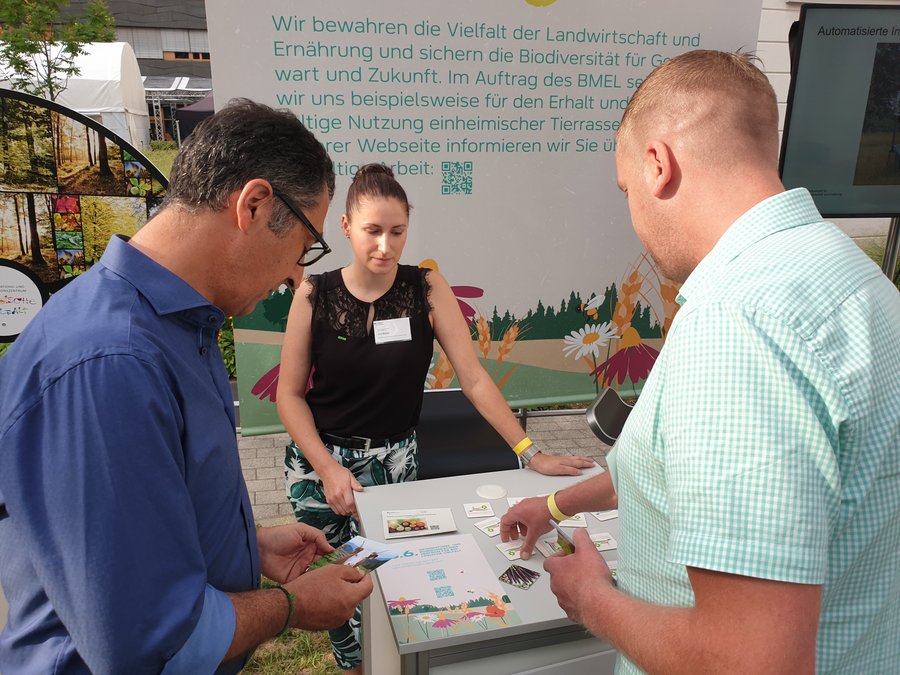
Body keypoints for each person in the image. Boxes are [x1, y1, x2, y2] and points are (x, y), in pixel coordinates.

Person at [500, 50, 900, 673]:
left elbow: (749, 660)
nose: (632, 216)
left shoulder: (736, 322)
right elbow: (681, 473)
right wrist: (556, 506)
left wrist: (593, 599)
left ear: (658, 165)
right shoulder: (856, 277)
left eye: (627, 189)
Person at [0, 99, 374, 674]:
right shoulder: (111, 363)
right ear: (254, 205)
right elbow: (148, 642)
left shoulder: (177, 325)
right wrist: (292, 606)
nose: (297, 275)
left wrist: (248, 548)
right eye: (304, 248)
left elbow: (146, 520)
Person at [276, 163, 594, 672]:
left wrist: (530, 452)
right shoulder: (314, 294)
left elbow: (473, 378)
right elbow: (289, 397)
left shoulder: (425, 288)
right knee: (339, 592)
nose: (385, 246)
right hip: (322, 468)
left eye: (397, 232)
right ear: (345, 227)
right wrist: (328, 468)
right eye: (372, 232)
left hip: (396, 465)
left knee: (385, 579)